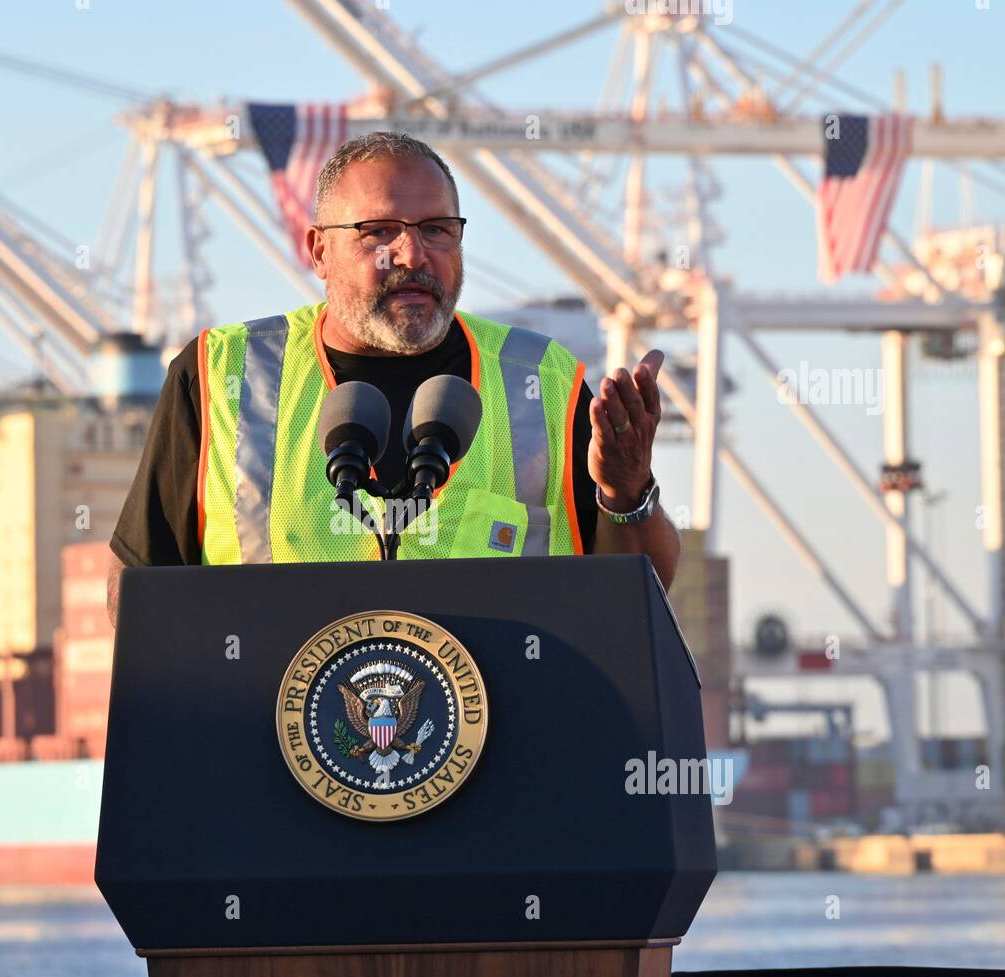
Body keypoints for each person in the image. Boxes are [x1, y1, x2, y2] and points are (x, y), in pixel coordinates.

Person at [107, 132, 679, 622]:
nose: (410, 254)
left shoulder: (543, 382)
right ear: (319, 250)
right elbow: (134, 599)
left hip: (505, 742)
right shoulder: (217, 377)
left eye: (436, 230)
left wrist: (627, 492)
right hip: (266, 743)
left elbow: (639, 600)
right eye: (378, 231)